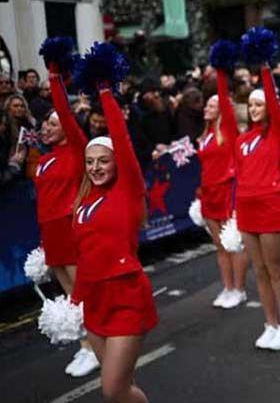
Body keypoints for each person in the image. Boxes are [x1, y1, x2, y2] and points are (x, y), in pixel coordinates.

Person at [71, 79, 157, 403]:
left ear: (117, 162)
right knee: (121, 384)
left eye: (103, 160)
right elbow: (83, 253)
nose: (95, 167)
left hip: (125, 296)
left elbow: (120, 139)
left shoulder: (128, 191)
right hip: (93, 298)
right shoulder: (83, 200)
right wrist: (76, 297)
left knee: (113, 389)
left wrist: (105, 91)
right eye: (90, 162)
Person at [34, 64, 99, 377]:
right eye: (46, 123)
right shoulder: (43, 160)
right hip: (50, 230)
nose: (48, 127)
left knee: (80, 289)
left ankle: (93, 346)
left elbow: (66, 113)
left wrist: (55, 77)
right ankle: (86, 343)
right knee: (68, 291)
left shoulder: (76, 148)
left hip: (69, 226)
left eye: (54, 122)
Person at [235, 64, 280, 349]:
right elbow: (240, 175)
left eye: (260, 104)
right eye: (251, 105)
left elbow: (274, 103)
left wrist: (264, 70)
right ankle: (269, 323)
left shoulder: (277, 133)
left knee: (274, 269)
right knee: (258, 270)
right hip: (245, 209)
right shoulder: (242, 139)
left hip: (270, 207)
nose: (255, 108)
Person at [196, 65, 243, 309]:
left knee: (231, 243)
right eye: (207, 105)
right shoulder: (204, 135)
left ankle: (239, 288)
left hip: (226, 191)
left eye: (212, 106)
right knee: (219, 246)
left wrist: (221, 74)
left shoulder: (227, 130)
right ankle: (227, 286)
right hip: (209, 193)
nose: (207, 108)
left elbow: (225, 102)